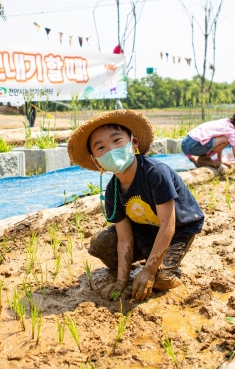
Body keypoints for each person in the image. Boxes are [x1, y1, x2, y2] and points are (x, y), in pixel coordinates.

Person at [67, 110, 204, 302]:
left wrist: (149, 271)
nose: (111, 150)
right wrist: (121, 282)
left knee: (160, 279)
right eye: (101, 147)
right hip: (144, 230)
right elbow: (124, 238)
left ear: (134, 142)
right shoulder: (112, 190)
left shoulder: (156, 174)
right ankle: (141, 262)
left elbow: (168, 226)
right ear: (96, 161)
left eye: (117, 140)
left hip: (178, 230)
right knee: (100, 243)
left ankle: (171, 272)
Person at [181, 110, 235, 179]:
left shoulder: (226, 122)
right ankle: (204, 159)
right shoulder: (232, 132)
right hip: (194, 145)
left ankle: (199, 159)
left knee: (223, 139)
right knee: (227, 140)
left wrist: (220, 161)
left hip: (185, 143)